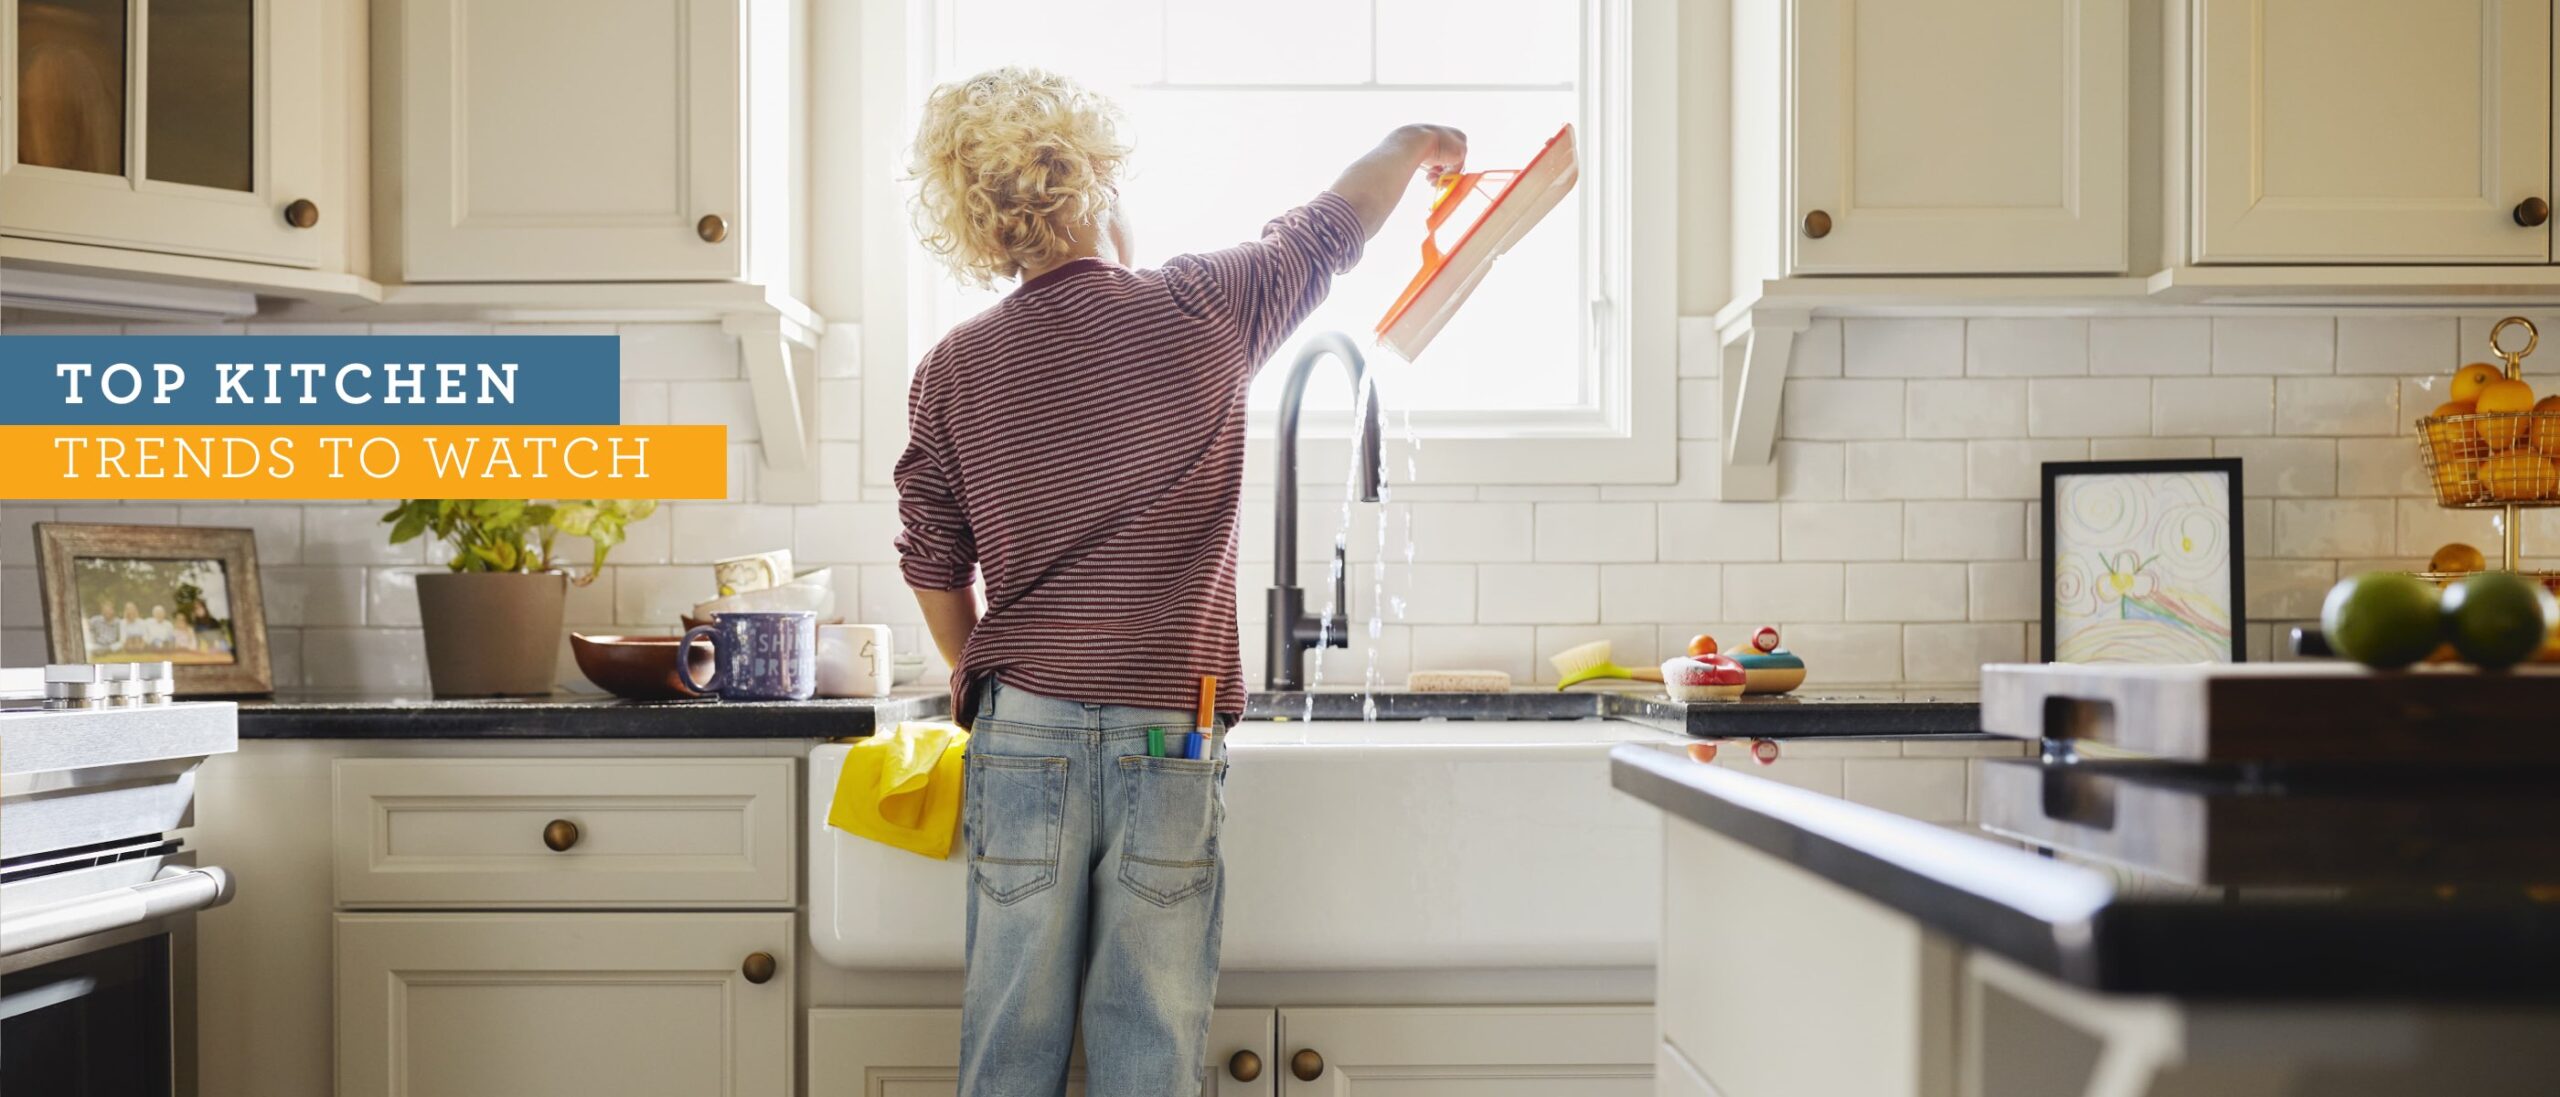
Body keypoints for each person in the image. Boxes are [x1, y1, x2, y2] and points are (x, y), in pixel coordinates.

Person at [893, 65, 1464, 1096]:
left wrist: (981, 672)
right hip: (1171, 729)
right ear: (1097, 177)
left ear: (982, 225)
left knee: (1007, 1038)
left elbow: (932, 558)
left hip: (1024, 726)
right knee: (1148, 1033)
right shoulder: (1208, 304)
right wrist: (1413, 137)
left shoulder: (953, 367)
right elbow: (1333, 226)